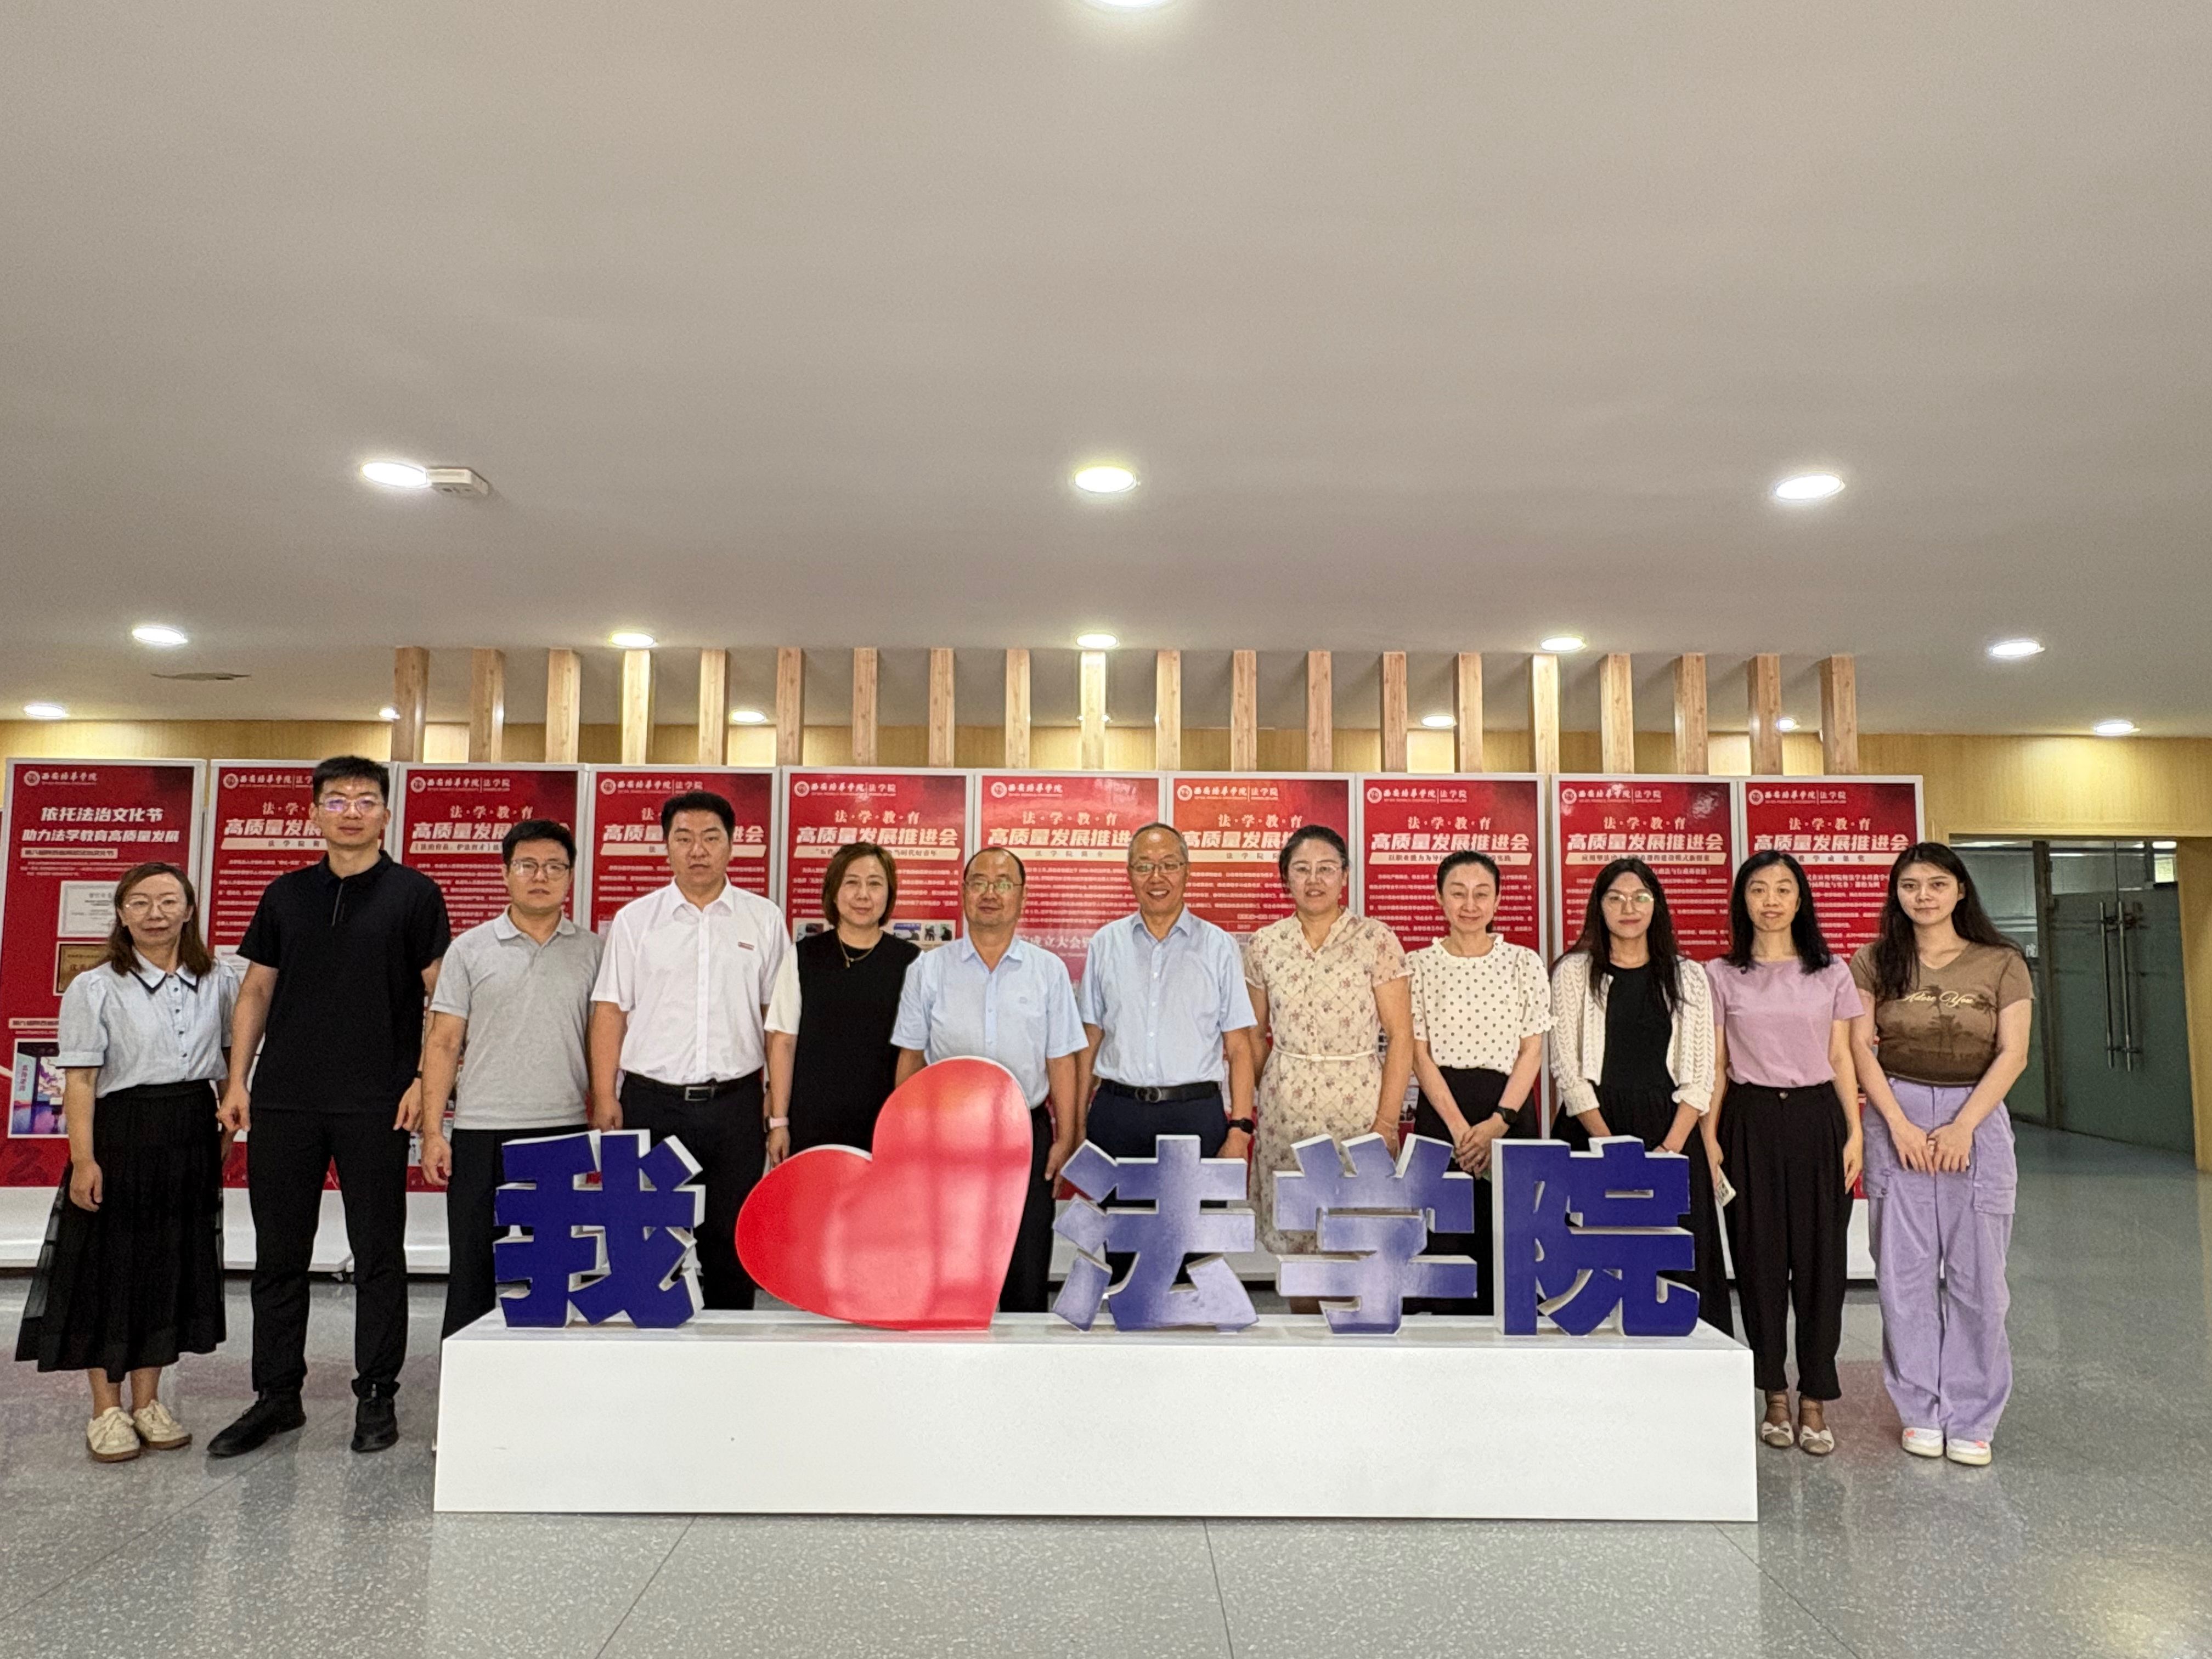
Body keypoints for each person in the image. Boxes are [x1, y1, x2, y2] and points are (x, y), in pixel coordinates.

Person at [212, 755, 450, 1458]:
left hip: (377, 1099)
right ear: (314, 812)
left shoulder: (414, 894)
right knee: (279, 1254)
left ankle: (376, 1392)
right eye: (338, 799)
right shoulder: (286, 894)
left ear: (386, 814)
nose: (352, 811)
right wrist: (237, 1080)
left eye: (366, 799)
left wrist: (422, 1080)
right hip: (285, 1096)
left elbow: (443, 996)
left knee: (378, 1252)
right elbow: (256, 991)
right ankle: (276, 1395)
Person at [14, 864, 235, 1463]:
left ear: (189, 909)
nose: (154, 914)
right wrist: (83, 1159)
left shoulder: (217, 979)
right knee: (108, 1266)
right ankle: (106, 1409)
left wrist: (226, 1129)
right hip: (121, 1134)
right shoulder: (96, 986)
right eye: (139, 903)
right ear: (121, 913)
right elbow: (81, 1080)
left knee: (169, 1263)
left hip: (191, 1128)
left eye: (168, 901)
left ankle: (148, 1401)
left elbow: (230, 1060)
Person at [1849, 842, 2032, 1468]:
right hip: (1895, 1113)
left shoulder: (2001, 962)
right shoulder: (1875, 960)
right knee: (1903, 1275)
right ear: (1896, 894)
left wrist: (1963, 1128)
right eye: (1909, 886)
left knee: (1980, 1278)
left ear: (1960, 890)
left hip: (1975, 1115)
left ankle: (1973, 1415)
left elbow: (2013, 1052)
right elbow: (1861, 1048)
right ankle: (1921, 1409)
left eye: (1935, 884)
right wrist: (1897, 1124)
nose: (1922, 896)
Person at [590, 789, 788, 1311]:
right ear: (666, 846)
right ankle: (657, 1353)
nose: (697, 850)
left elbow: (777, 1023)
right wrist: (605, 1096)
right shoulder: (636, 920)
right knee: (651, 1240)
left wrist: (778, 1110)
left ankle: (728, 1351)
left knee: (730, 1240)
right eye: (684, 838)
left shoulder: (763, 919)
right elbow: (610, 1011)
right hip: (652, 1103)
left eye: (710, 837)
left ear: (732, 845)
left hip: (736, 1105)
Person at [418, 819, 601, 1338]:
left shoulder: (593, 951)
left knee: (555, 1273)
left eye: (554, 867)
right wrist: (434, 1131)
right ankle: (466, 1379)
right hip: (482, 1129)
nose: (540, 877)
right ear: (505, 874)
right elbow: (443, 1042)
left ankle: (550, 1376)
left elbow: (604, 1041)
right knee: (473, 1269)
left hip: (562, 1127)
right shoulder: (470, 949)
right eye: (527, 865)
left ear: (570, 877)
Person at [1706, 850, 1863, 1455]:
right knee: (1759, 1261)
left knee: (1822, 1265)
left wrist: (1853, 1132)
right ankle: (1773, 1392)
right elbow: (1718, 1064)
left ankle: (1815, 1398)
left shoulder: (1831, 972)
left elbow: (1842, 1056)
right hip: (1749, 1121)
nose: (1771, 901)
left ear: (1801, 900)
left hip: (1817, 1117)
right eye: (1758, 890)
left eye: (1783, 889)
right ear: (1742, 901)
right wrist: (1710, 1137)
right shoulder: (1721, 974)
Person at [892, 848, 1084, 1312]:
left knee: (1026, 1266)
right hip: (948, 1134)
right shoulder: (929, 969)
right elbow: (911, 1059)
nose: (990, 893)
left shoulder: (1048, 971)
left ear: (1021, 896)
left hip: (1026, 1132)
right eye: (979, 882)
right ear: (963, 892)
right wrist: (905, 1137)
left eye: (1003, 883)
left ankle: (1023, 1354)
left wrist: (1067, 1137)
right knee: (952, 1266)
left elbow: (1062, 1060)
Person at [1548, 858, 1728, 1335]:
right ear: (1599, 907)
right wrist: (1611, 1150)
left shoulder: (1688, 975)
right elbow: (1567, 1070)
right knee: (1591, 1268)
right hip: (1591, 1129)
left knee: (1676, 1267)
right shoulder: (1573, 972)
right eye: (1615, 898)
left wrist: (1669, 1150)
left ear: (1657, 906)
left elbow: (1701, 1074)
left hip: (1670, 1132)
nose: (1628, 908)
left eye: (1640, 898)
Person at [1074, 823, 1258, 1288]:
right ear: (1129, 873)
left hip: (1194, 1117)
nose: (1157, 877)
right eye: (1144, 866)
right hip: (1118, 1114)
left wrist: (1240, 1130)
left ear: (1187, 871)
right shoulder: (1106, 943)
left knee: (1192, 1258)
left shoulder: (1218, 945)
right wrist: (1076, 1124)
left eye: (1169, 865)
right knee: (1122, 1256)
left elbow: (1239, 1047)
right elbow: (1090, 1040)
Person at [1242, 826, 1413, 1283]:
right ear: (1286, 879)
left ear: (1345, 875)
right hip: (1287, 1116)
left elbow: (1401, 1036)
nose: (1314, 880)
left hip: (1360, 1113)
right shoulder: (1265, 944)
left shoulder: (1376, 939)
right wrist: (1268, 1098)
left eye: (1326, 869)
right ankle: (1303, 1325)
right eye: (1302, 869)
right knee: (1297, 1247)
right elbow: (1254, 1035)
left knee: (1356, 1237)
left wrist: (1386, 1123)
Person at [1406, 849, 1550, 1314]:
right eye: (1458, 893)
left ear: (1497, 900)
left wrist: (1498, 1123)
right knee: (1447, 1239)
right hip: (1442, 1115)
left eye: (1482, 893)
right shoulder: (1417, 965)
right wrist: (1460, 1132)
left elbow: (1532, 1050)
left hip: (1507, 1111)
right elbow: (1418, 1054)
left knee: (1510, 1237)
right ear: (1439, 897)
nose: (1470, 905)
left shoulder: (1523, 962)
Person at [764, 841, 920, 1162]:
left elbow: (916, 1054)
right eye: (851, 882)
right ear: (834, 892)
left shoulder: (912, 962)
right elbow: (783, 1042)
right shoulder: (802, 957)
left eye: (874, 884)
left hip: (884, 1126)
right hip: (811, 1124)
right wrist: (779, 1122)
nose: (863, 895)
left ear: (889, 894)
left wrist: (907, 1123)